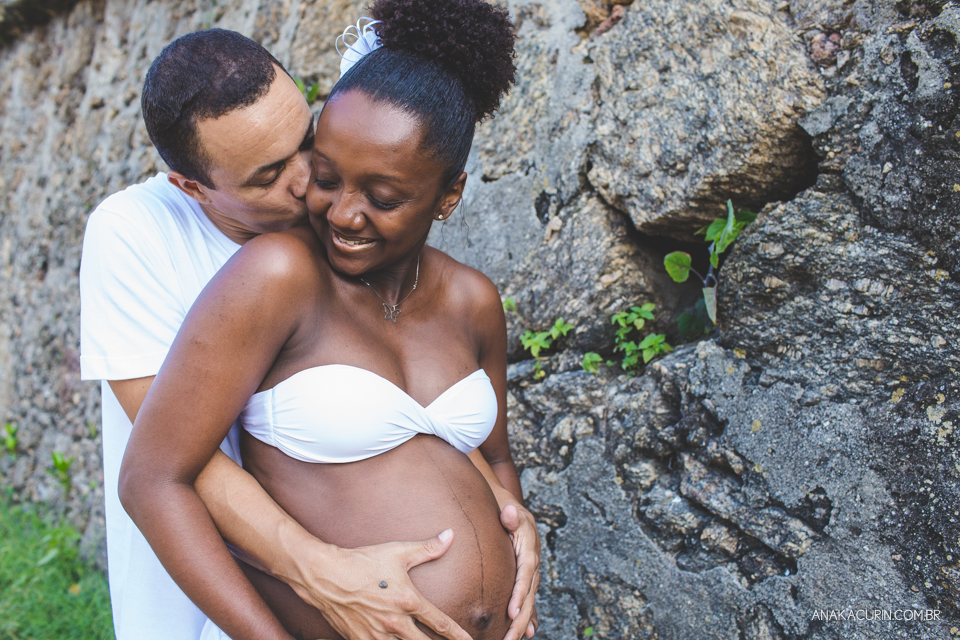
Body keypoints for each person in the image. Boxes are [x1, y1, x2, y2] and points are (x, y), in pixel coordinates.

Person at [79, 25, 539, 640]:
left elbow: (439, 429)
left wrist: (515, 524)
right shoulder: (145, 237)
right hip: (235, 601)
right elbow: (168, 468)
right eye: (268, 175)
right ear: (192, 187)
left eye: (308, 145)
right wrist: (320, 572)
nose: (307, 185)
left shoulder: (370, 245)